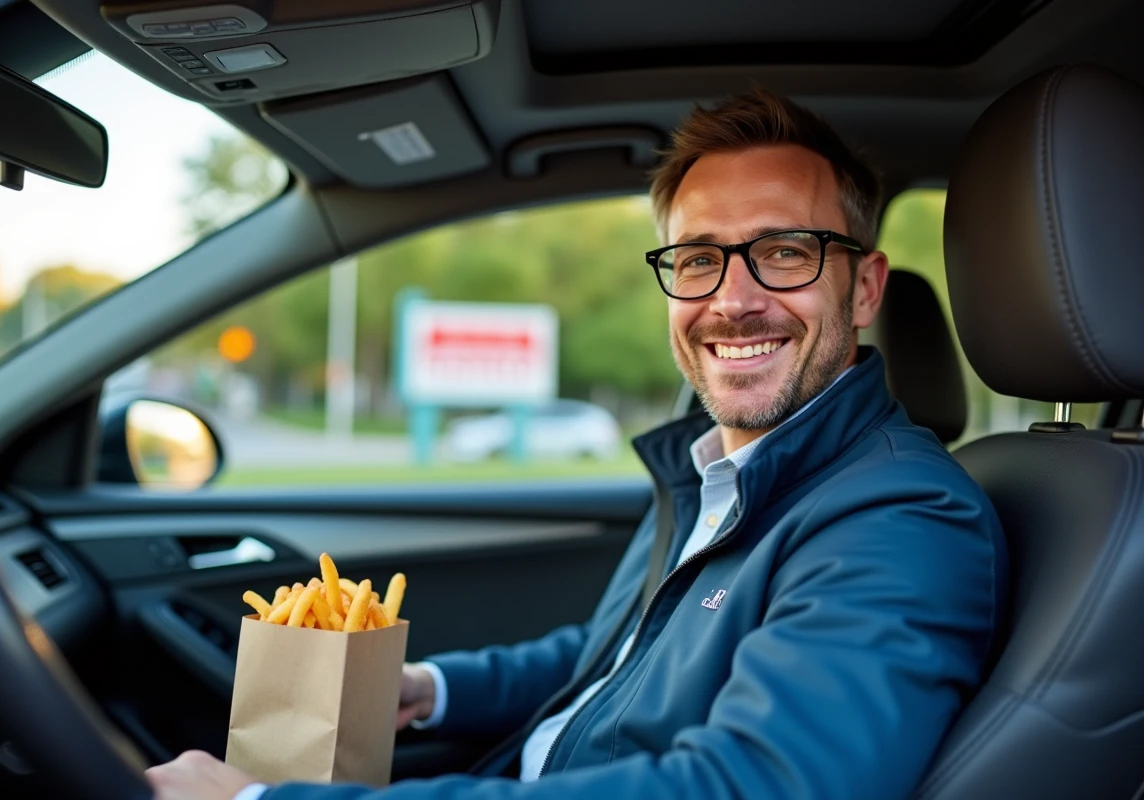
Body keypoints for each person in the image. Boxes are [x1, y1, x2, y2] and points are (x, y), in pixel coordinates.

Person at [147, 88, 1007, 800]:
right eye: (699, 258)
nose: (734, 299)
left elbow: (750, 787)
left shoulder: (903, 518)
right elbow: (617, 656)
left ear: (864, 289)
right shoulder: (717, 471)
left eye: (785, 251)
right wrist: (430, 692)